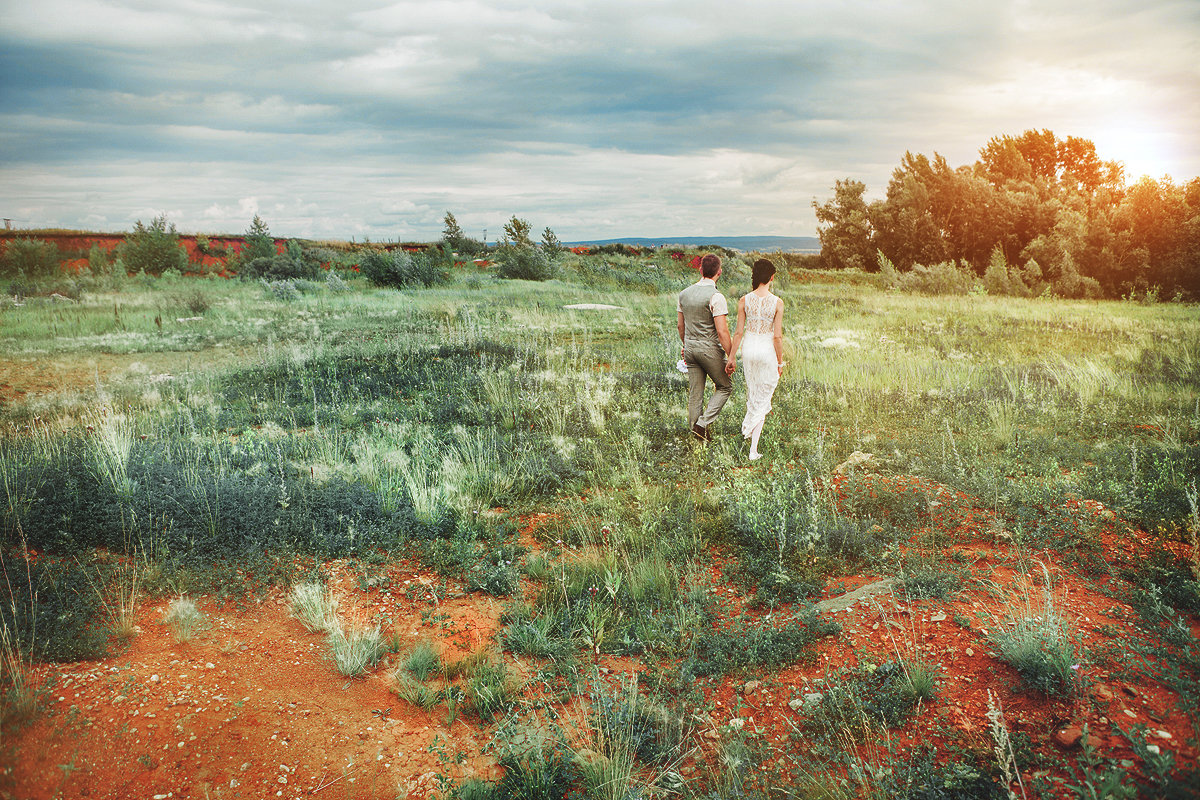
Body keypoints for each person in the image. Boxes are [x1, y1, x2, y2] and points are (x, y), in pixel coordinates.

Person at [726, 258, 784, 460]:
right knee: (763, 395)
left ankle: (749, 432)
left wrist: (731, 357)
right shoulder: (777, 302)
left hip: (749, 349)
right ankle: (753, 449)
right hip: (766, 350)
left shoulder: (744, 300)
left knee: (753, 393)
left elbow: (738, 332)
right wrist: (780, 362)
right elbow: (777, 337)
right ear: (771, 277)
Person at [677, 253, 734, 441]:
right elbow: (722, 332)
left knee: (695, 393)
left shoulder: (683, 294)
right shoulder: (716, 297)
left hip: (690, 348)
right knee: (724, 387)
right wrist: (731, 355)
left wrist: (686, 345)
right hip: (708, 348)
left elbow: (680, 326)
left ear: (700, 270)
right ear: (719, 272)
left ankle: (696, 435)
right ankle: (702, 424)